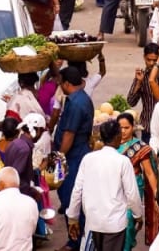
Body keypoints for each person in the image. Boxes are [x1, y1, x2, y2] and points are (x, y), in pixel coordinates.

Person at [65, 120, 142, 251]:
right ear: (117, 136)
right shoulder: (123, 161)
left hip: (93, 222)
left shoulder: (88, 159)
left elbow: (77, 190)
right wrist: (138, 215)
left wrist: (72, 217)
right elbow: (132, 193)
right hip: (115, 225)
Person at [54, 67, 94, 224]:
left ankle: (76, 236)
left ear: (67, 84)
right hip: (77, 153)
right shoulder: (80, 98)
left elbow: (69, 134)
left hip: (73, 157)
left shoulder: (76, 103)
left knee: (70, 197)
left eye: (61, 83)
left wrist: (59, 158)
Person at [116, 112, 159, 247]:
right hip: (114, 187)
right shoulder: (111, 144)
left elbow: (149, 173)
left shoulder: (139, 147)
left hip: (133, 187)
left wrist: (156, 193)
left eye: (127, 128)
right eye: (120, 128)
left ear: (133, 127)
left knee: (129, 221)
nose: (123, 131)